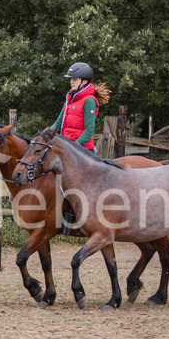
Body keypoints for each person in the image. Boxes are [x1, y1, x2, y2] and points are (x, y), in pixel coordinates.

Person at [49, 62, 111, 233]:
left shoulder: (89, 101)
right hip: (65, 151)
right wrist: (42, 137)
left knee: (76, 188)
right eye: (71, 79)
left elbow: (89, 129)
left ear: (85, 81)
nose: (71, 82)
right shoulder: (69, 98)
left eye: (74, 79)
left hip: (82, 152)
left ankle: (76, 218)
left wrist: (73, 149)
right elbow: (57, 123)